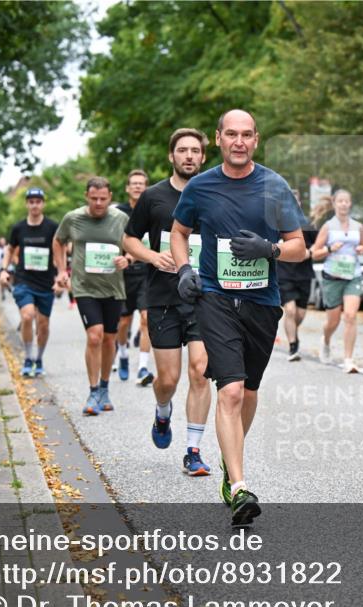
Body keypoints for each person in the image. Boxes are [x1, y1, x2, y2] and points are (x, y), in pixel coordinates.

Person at [171, 109, 308, 527]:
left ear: (256, 139)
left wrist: (270, 251)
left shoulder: (273, 185)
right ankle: (240, 485)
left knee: (248, 393)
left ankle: (232, 469)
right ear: (218, 139)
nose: (239, 141)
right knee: (229, 391)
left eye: (246, 135)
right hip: (214, 298)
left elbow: (300, 246)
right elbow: (179, 232)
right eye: (231, 134)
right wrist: (183, 270)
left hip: (262, 303)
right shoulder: (201, 186)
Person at [124, 128, 212, 475]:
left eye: (194, 150)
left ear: (203, 157)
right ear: (171, 156)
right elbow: (129, 239)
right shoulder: (153, 197)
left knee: (201, 371)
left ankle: (193, 450)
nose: (189, 155)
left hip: (204, 297)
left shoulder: (212, 194)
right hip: (162, 296)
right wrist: (150, 256)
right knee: (169, 379)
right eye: (182, 150)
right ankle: (163, 411)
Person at [53, 177, 131, 415]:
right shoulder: (73, 218)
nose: (98, 203)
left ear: (110, 197)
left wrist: (127, 259)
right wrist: (60, 270)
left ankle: (105, 388)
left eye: (103, 199)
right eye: (94, 198)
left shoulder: (121, 219)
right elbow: (58, 241)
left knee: (109, 339)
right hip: (84, 287)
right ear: (86, 196)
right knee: (95, 336)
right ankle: (93, 389)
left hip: (113, 288)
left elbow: (135, 245)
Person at [1, 187, 59, 378]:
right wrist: (3, 270)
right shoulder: (19, 228)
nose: (35, 205)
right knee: (27, 316)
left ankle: (39, 358)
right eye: (31, 201)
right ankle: (28, 357)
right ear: (27, 204)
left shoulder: (52, 227)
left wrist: (61, 274)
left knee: (43, 324)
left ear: (43, 204)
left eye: (38, 201)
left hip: (45, 282)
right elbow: (10, 249)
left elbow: (60, 250)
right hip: (24, 279)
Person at [311, 189, 363, 373]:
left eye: (347, 201)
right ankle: (326, 340)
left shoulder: (358, 226)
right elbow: (314, 253)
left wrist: (361, 249)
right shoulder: (328, 227)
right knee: (332, 322)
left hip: (353, 274)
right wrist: (329, 248)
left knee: (350, 316)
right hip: (332, 276)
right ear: (334, 204)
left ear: (350, 204)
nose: (343, 204)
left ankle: (348, 360)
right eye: (340, 201)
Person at [115, 169, 155, 385]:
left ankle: (141, 367)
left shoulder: (152, 210)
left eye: (142, 183)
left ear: (146, 187)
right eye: (134, 183)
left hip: (147, 273)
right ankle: (122, 355)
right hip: (123, 274)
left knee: (146, 319)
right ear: (127, 188)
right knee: (123, 322)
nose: (138, 186)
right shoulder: (118, 213)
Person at [277, 191, 320, 361]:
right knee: (290, 310)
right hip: (283, 274)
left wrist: (309, 252)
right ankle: (293, 346)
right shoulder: (276, 224)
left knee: (299, 315)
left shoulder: (307, 225)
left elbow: (319, 244)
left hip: (303, 274)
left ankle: (292, 331)